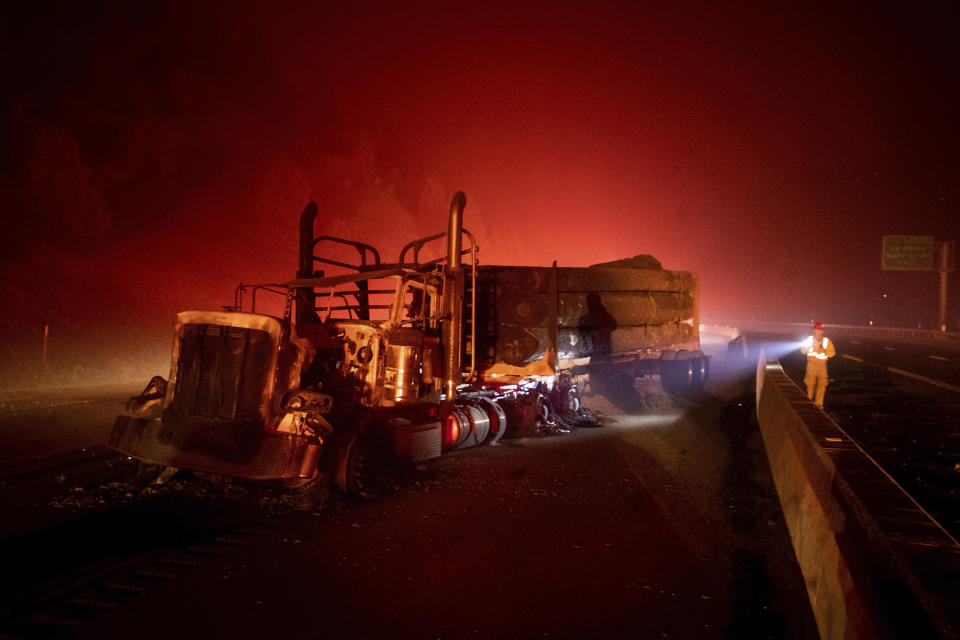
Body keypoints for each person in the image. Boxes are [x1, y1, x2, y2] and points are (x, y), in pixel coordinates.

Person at [801, 322, 836, 409]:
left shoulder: (826, 341)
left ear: (822, 331)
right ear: (814, 330)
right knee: (810, 384)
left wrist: (825, 352)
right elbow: (803, 351)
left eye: (820, 330)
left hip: (822, 365)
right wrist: (808, 347)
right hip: (811, 365)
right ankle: (809, 401)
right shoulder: (809, 340)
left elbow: (832, 353)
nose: (818, 331)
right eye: (817, 330)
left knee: (822, 384)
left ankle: (819, 404)